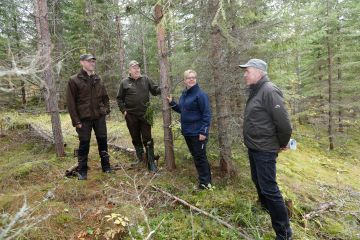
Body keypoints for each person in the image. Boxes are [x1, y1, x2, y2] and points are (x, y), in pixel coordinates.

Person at [239, 59, 292, 240]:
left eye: (248, 71)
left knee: (270, 189)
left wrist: (282, 143)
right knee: (258, 180)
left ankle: (284, 233)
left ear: (259, 72)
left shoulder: (269, 90)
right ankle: (265, 207)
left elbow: (284, 123)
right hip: (254, 146)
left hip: (265, 149)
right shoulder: (256, 90)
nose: (245, 74)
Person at [66, 54, 112, 180]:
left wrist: (106, 111)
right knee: (84, 144)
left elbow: (105, 97)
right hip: (83, 120)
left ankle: (106, 167)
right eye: (89, 61)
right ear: (82, 62)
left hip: (99, 118)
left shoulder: (98, 79)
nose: (92, 63)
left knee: (103, 142)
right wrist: (76, 121)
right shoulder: (74, 80)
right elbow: (71, 103)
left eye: (93, 61)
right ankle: (82, 171)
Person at [167, 69, 212, 189]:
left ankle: (205, 184)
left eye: (193, 77)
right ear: (185, 80)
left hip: (198, 133)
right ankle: (205, 180)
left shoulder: (200, 95)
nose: (191, 79)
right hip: (188, 132)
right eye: (188, 77)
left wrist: (203, 131)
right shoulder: (184, 95)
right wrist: (172, 103)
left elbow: (206, 114)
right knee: (196, 156)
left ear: (196, 79)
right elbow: (182, 110)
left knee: (200, 157)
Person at [116, 60, 161, 172]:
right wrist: (124, 111)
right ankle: (140, 158)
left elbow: (155, 91)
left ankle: (151, 162)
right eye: (134, 68)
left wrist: (163, 88)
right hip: (131, 115)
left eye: (138, 67)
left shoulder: (146, 79)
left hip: (146, 114)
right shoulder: (124, 82)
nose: (136, 69)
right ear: (129, 70)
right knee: (135, 137)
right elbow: (119, 98)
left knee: (147, 138)